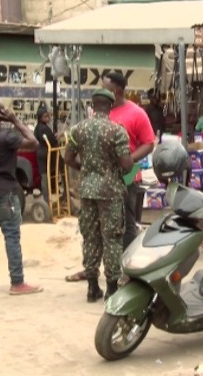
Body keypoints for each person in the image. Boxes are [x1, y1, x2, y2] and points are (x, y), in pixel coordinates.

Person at [65, 72, 155, 282]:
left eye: (106, 87)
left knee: (125, 225)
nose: (102, 89)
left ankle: (126, 270)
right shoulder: (97, 115)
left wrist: (128, 161)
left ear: (118, 91)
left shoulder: (136, 113)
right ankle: (92, 270)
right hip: (96, 182)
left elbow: (149, 143)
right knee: (92, 227)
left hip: (126, 176)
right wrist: (86, 168)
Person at [66, 89, 133, 302]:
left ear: (92, 106)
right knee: (112, 238)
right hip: (110, 192)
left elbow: (68, 158)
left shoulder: (78, 129)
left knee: (90, 238)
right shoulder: (116, 131)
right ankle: (112, 288)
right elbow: (126, 164)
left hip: (87, 191)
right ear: (110, 106)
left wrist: (85, 169)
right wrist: (117, 169)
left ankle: (92, 287)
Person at [0, 97, 43, 295]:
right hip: (6, 193)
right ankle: (17, 282)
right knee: (11, 237)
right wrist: (15, 120)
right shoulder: (6, 136)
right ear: (0, 114)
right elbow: (33, 142)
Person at [34, 105, 60, 203]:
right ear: (40, 118)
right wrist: (59, 135)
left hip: (42, 153)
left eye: (48, 116)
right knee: (45, 177)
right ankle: (46, 199)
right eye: (45, 116)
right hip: (45, 155)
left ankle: (47, 197)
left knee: (45, 176)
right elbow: (52, 141)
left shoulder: (39, 127)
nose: (48, 118)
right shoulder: (43, 128)